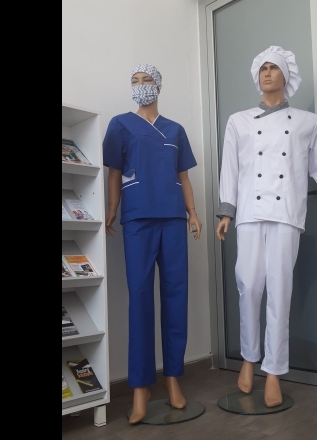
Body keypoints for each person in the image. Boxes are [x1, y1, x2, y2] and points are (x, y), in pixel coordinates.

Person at [215, 46, 317, 408]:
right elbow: (230, 168)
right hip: (249, 212)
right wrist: (226, 211)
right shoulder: (238, 121)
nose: (267, 73)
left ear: (286, 75)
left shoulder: (308, 123)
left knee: (280, 289)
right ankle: (248, 358)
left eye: (273, 67)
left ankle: (273, 371)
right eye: (262, 68)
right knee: (248, 285)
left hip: (287, 212)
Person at [103, 63, 202, 424]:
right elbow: (114, 172)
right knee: (140, 298)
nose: (141, 85)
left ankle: (172, 378)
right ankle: (141, 387)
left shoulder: (175, 130)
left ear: (158, 86)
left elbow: (183, 176)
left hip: (173, 218)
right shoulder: (120, 125)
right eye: (135, 81)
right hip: (138, 219)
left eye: (146, 80)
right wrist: (112, 209)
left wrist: (192, 212)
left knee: (176, 295)